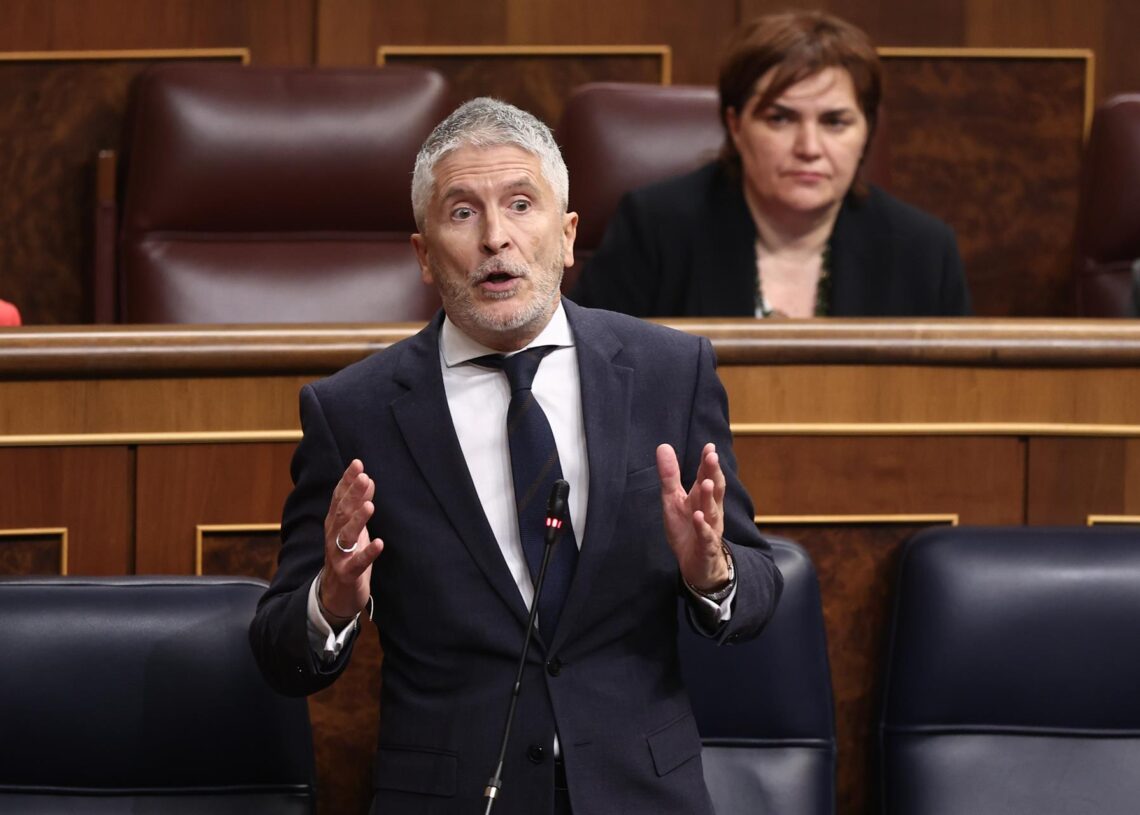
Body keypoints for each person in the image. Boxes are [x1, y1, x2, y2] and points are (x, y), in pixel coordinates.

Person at [249, 97, 782, 815]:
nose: (496, 237)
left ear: (566, 237)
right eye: (462, 212)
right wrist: (332, 601)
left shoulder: (668, 371)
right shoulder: (354, 410)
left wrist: (711, 572)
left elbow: (757, 585)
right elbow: (280, 649)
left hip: (643, 793)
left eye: (521, 204)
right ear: (424, 255)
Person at [571, 10, 972, 318]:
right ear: (736, 126)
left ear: (866, 131)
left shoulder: (924, 251)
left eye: (835, 122)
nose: (809, 147)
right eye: (780, 118)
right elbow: (594, 374)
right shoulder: (656, 229)